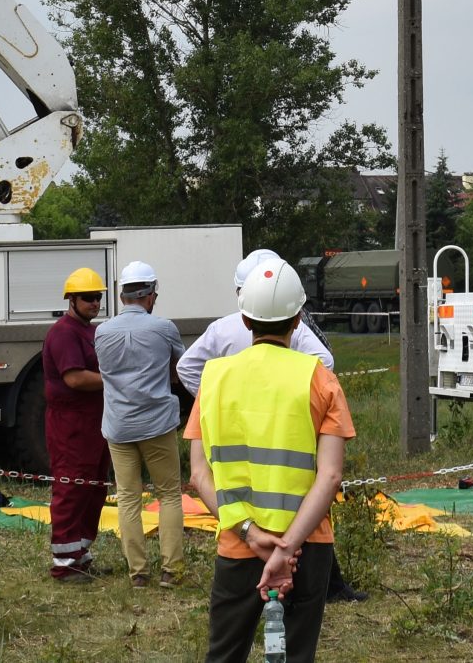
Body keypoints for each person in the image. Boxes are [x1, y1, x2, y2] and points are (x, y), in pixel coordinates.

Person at [186, 257, 354, 663]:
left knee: (224, 655)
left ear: (245, 321)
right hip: (307, 547)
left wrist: (250, 534)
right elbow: (330, 477)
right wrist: (287, 549)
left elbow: (198, 475)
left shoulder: (215, 378)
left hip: (240, 544)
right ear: (298, 319)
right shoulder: (320, 378)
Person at [95, 259, 189, 588]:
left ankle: (137, 573)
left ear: (121, 297)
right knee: (169, 495)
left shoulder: (102, 331)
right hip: (156, 423)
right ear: (150, 295)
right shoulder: (164, 328)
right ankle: (171, 571)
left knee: (128, 497)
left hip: (119, 425)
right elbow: (183, 367)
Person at [175, 249, 334, 394]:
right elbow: (325, 363)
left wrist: (213, 401)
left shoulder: (221, 329)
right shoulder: (296, 329)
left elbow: (186, 367)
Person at [43, 266, 108, 581]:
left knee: (93, 488)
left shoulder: (90, 331)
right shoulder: (64, 333)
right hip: (70, 425)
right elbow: (76, 378)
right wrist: (116, 382)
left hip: (94, 423)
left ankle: (80, 553)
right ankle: (65, 564)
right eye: (88, 298)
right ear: (71, 299)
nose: (95, 303)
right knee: (71, 487)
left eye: (98, 298)